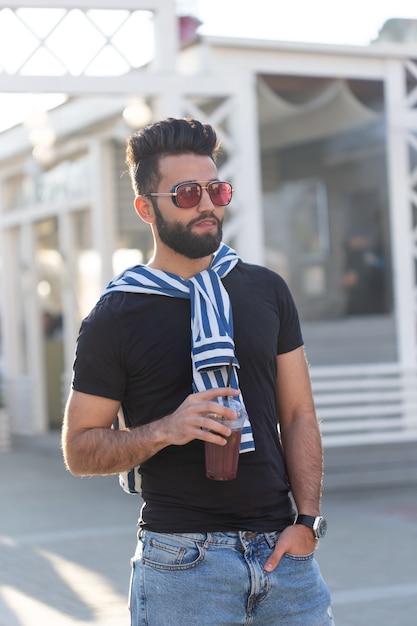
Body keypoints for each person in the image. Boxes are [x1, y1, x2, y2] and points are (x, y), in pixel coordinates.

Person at [62, 117, 334, 625]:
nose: (207, 203)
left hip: (284, 557)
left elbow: (298, 413)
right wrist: (166, 429)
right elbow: (80, 449)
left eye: (217, 189)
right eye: (186, 193)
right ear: (147, 208)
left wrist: (307, 522)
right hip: (183, 566)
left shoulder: (264, 290)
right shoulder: (116, 315)